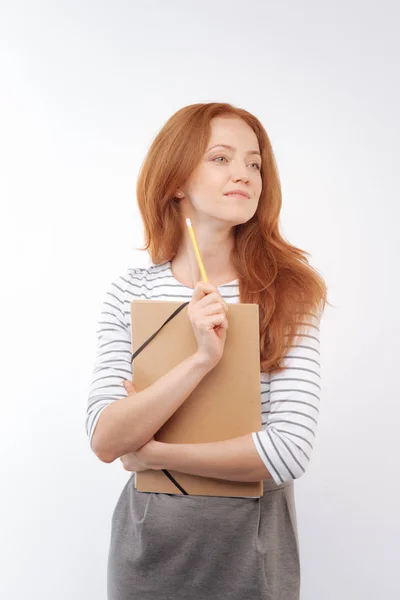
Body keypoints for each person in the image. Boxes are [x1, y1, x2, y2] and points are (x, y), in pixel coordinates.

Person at [86, 102, 328, 600]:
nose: (243, 173)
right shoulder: (130, 293)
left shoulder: (289, 291)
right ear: (176, 180)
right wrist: (200, 361)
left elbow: (287, 451)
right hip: (146, 550)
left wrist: (154, 452)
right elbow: (107, 438)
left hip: (252, 554)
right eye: (221, 158)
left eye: (253, 163)